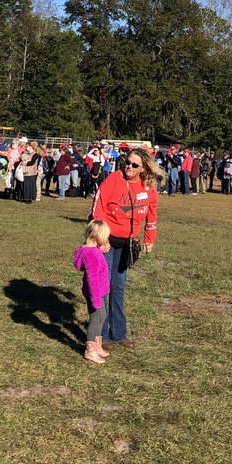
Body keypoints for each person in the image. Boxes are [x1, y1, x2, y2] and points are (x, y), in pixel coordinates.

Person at [91, 146, 161, 349]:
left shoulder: (148, 186)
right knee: (103, 288)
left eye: (134, 165)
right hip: (107, 242)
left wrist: (149, 238)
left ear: (143, 168)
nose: (128, 166)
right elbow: (98, 207)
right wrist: (101, 237)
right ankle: (101, 336)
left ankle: (118, 334)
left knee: (118, 288)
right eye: (126, 162)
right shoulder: (113, 179)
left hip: (127, 245)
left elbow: (152, 213)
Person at [73, 219, 112, 365]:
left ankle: (98, 345)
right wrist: (95, 299)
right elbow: (92, 279)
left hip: (100, 292)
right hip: (95, 294)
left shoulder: (94, 251)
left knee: (102, 317)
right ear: (97, 238)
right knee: (95, 320)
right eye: (105, 237)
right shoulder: (92, 255)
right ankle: (90, 350)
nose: (107, 240)